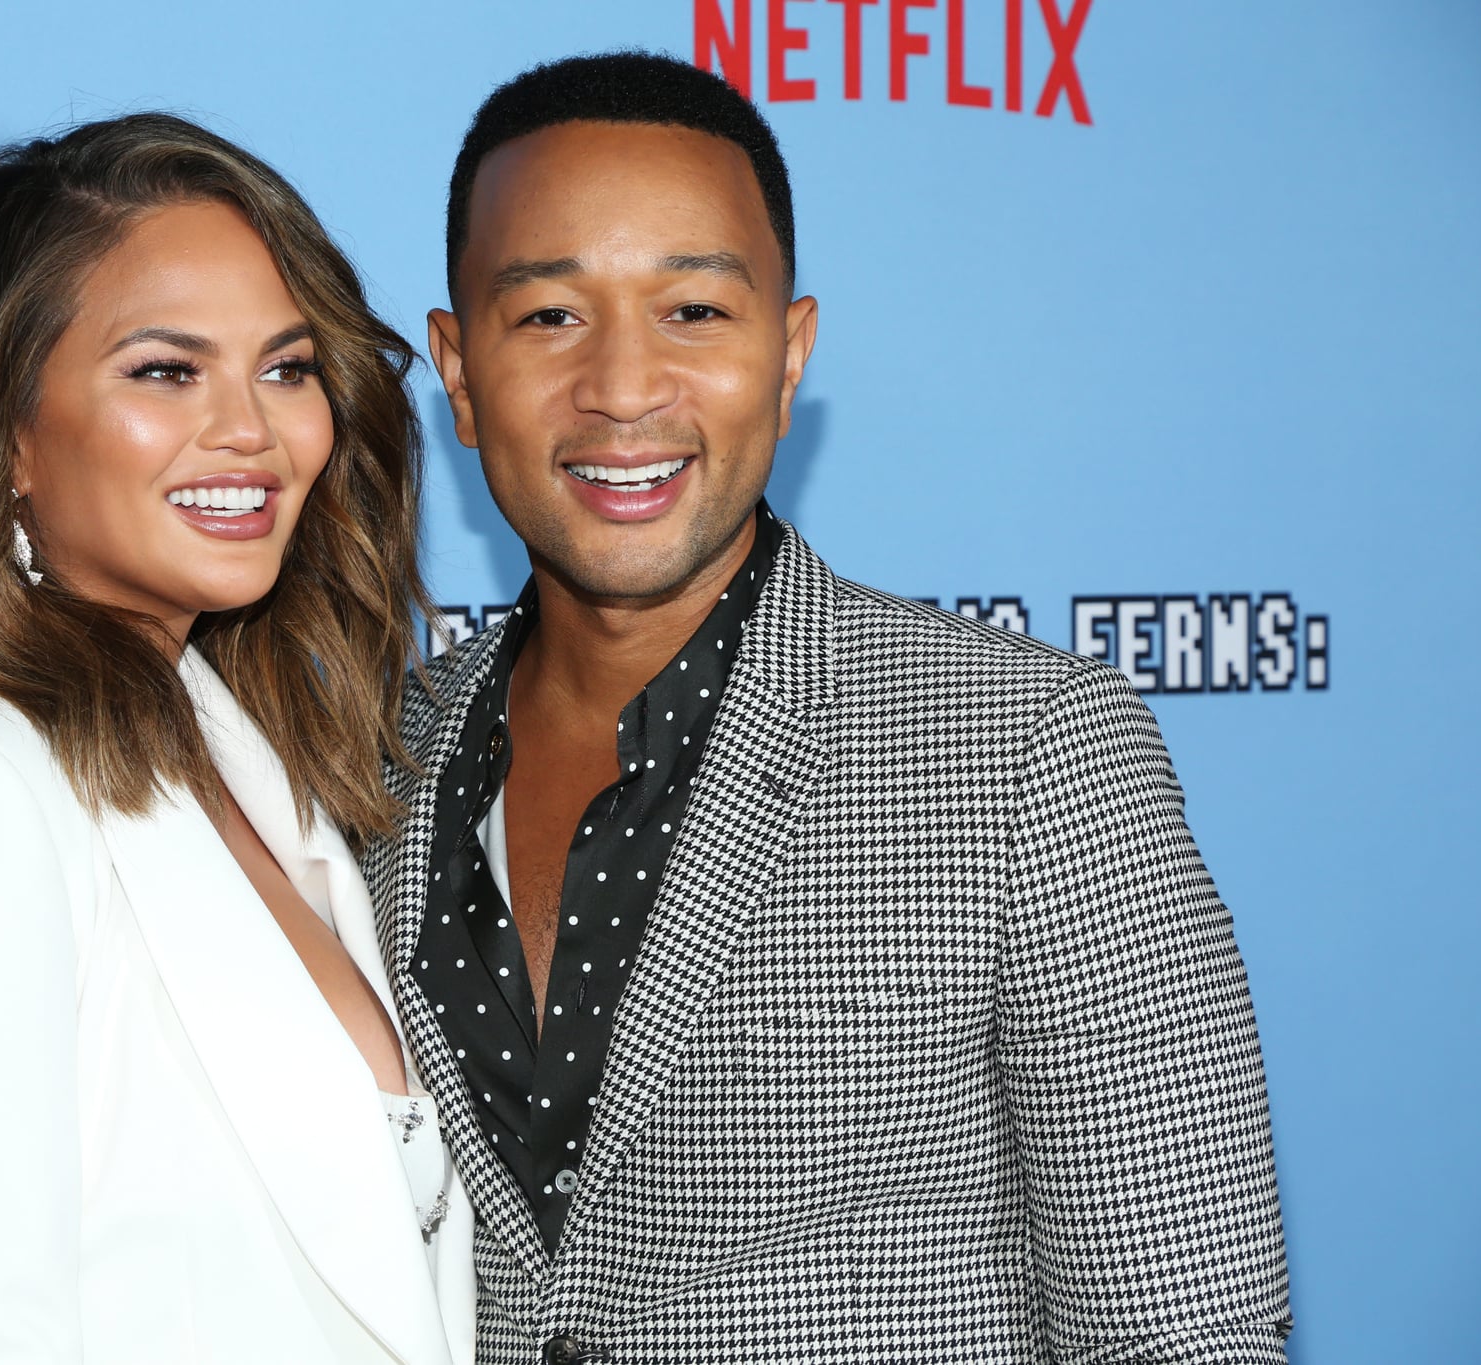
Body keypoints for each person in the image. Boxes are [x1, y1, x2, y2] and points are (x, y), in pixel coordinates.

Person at [363, 52, 1292, 1364]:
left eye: (693, 310)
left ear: (789, 352)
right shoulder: (362, 764)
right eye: (550, 317)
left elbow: (1182, 1332)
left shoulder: (1031, 748)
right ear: (457, 372)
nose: (624, 389)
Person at [0, 113, 473, 1364]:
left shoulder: (250, 753)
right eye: (166, 372)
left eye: (284, 368)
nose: (253, 432)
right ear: (5, 431)